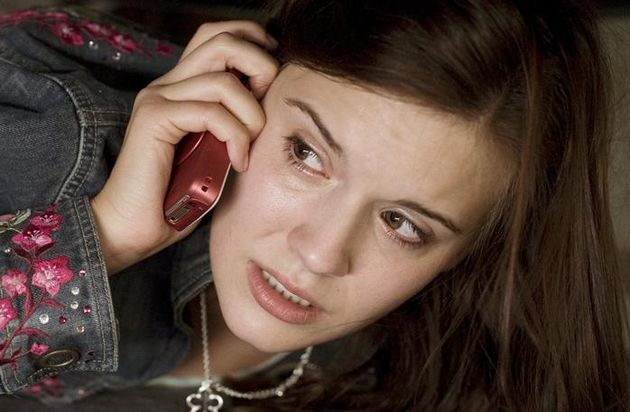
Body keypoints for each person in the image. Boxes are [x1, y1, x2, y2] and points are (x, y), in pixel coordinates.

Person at [0, 0, 627, 410]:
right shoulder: (42, 132)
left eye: (403, 224)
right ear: (247, 83)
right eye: (307, 154)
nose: (321, 254)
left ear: (466, 253)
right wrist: (106, 236)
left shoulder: (441, 361)